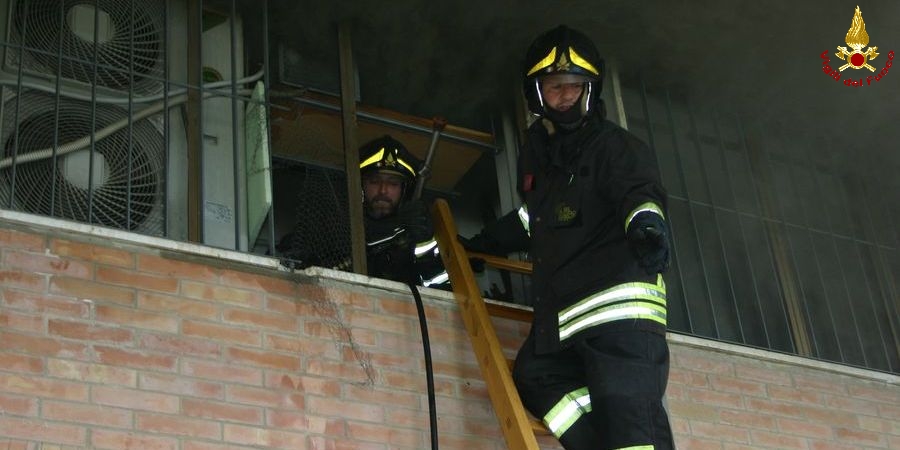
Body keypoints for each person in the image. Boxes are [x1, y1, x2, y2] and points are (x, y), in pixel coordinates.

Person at [462, 25, 674, 449]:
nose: (565, 97)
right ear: (538, 94)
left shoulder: (615, 147)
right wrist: (482, 243)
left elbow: (639, 192)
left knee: (628, 413)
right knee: (534, 375)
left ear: (591, 90)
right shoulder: (547, 162)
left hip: (619, 315)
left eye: (575, 87)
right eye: (555, 87)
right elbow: (534, 220)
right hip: (565, 320)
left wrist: (646, 224)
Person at [357, 135, 449, 288]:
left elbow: (440, 288)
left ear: (405, 190)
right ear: (360, 185)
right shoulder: (340, 220)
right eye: (374, 181)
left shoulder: (418, 225)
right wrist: (397, 226)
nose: (383, 190)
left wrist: (424, 240)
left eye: (393, 184)